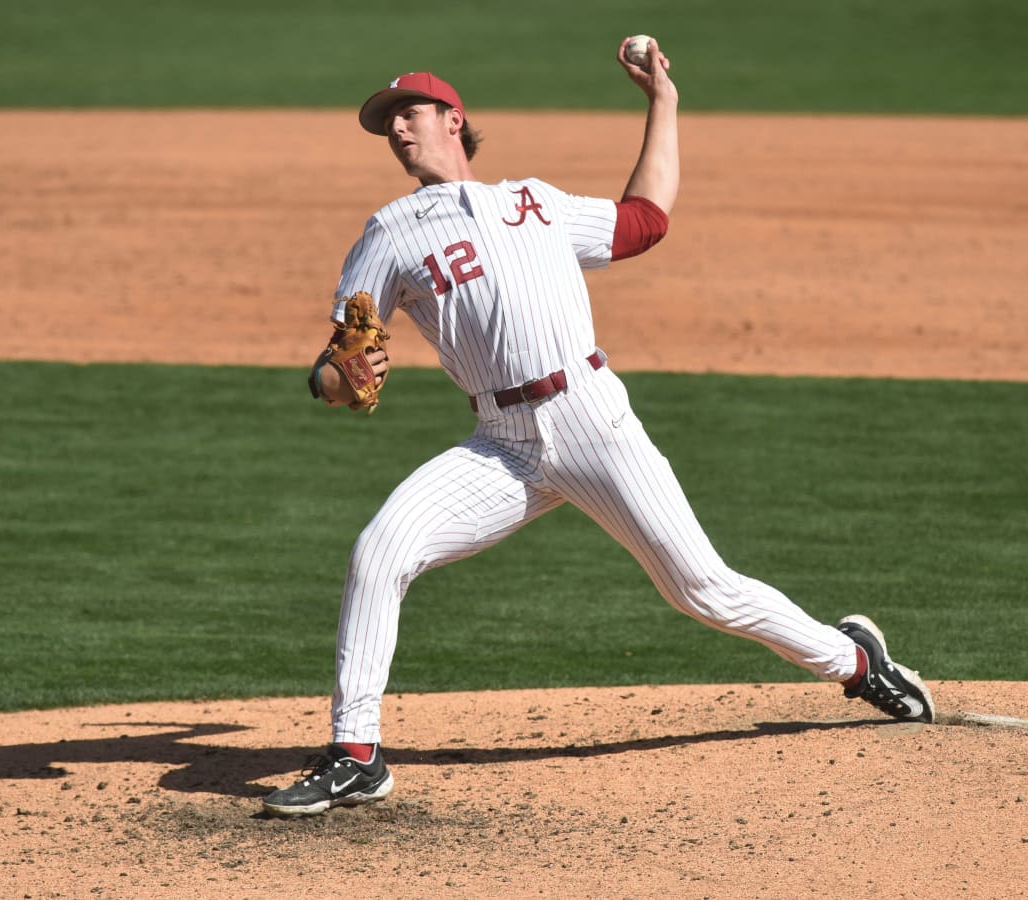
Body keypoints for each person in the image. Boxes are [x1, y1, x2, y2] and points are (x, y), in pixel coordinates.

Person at [263, 36, 934, 819]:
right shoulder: (390, 232)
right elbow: (344, 354)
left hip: (593, 422)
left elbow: (644, 221)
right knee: (381, 549)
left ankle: (855, 660)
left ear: (453, 118)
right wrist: (335, 381)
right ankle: (356, 753)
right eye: (388, 125)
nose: (397, 132)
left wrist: (663, 103)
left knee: (701, 590)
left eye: (408, 114)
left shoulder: (535, 202)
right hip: (500, 446)